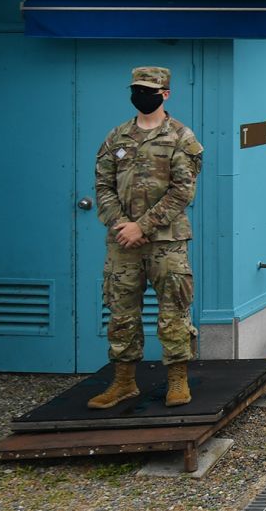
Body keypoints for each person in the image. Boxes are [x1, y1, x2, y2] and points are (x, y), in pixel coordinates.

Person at [88, 66, 204, 410]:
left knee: (174, 311)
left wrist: (144, 226)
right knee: (121, 313)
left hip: (166, 242)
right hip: (123, 243)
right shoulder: (116, 137)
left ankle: (178, 380)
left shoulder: (181, 137)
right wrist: (123, 225)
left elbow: (183, 191)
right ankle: (123, 382)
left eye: (149, 90)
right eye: (137, 89)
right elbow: (102, 186)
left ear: (165, 94)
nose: (141, 95)